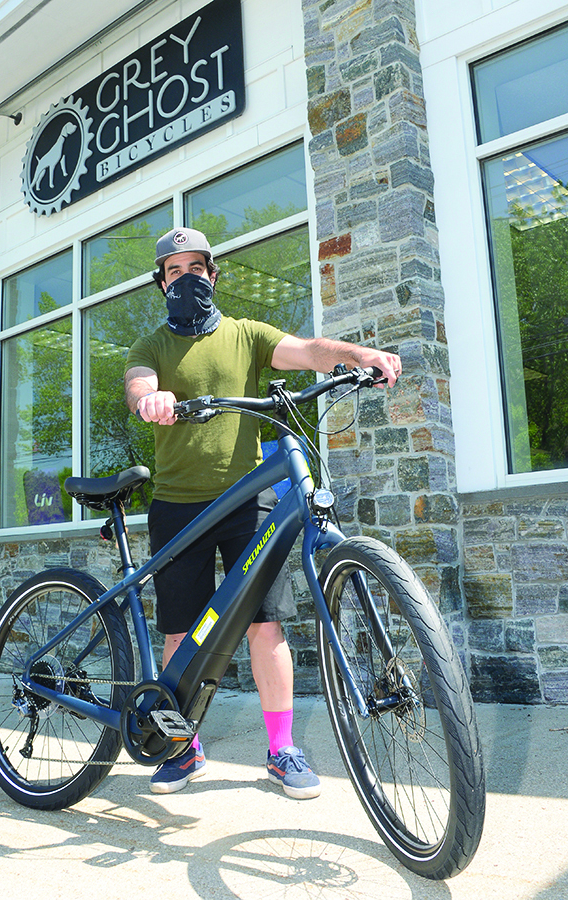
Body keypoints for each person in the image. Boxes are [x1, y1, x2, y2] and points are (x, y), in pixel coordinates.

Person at [124, 227, 401, 799]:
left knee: (265, 625)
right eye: (174, 272)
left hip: (250, 501)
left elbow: (307, 351)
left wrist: (357, 355)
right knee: (180, 631)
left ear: (213, 274)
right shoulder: (151, 346)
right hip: (178, 506)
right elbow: (138, 383)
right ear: (161, 282)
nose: (186, 279)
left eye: (196, 268)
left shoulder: (246, 335)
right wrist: (150, 398)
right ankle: (181, 748)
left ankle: (281, 749)